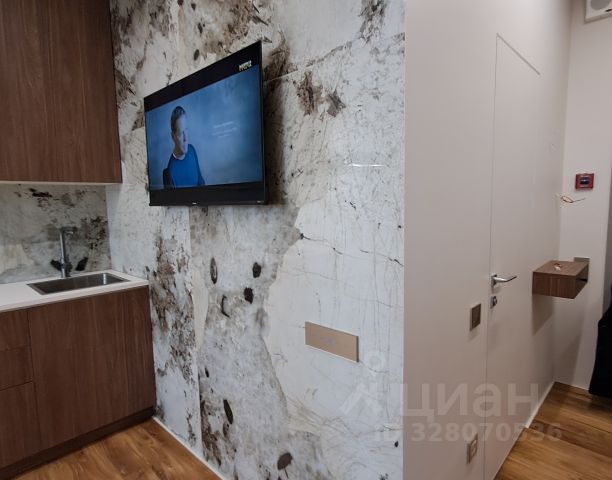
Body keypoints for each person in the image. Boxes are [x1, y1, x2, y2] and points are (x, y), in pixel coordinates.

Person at [163, 106, 205, 188]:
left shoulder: (191, 150)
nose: (186, 138)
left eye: (186, 129)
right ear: (173, 136)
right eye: (181, 133)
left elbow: (200, 181)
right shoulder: (170, 173)